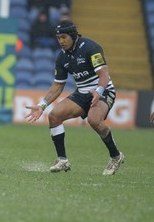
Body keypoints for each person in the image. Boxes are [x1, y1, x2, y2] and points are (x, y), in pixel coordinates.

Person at [25, 20, 124, 175]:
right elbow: (58, 85)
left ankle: (116, 156)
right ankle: (62, 160)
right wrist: (42, 105)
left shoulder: (91, 48)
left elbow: (103, 74)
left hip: (103, 90)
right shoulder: (62, 57)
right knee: (54, 116)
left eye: (64, 37)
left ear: (73, 35)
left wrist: (98, 91)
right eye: (58, 38)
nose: (61, 41)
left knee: (94, 120)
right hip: (82, 92)